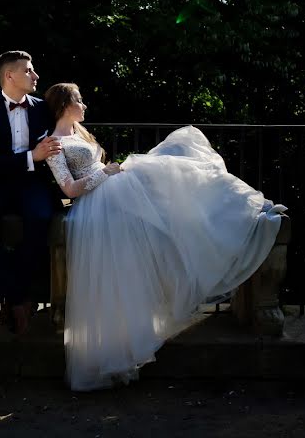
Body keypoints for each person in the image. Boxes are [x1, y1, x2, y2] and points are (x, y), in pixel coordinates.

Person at [43, 82, 287, 391]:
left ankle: (249, 208)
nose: (85, 105)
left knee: (173, 165)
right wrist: (106, 172)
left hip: (112, 191)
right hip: (98, 202)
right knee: (165, 171)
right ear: (65, 104)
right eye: (79, 100)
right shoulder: (54, 143)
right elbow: (69, 189)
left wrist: (110, 172)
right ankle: (246, 211)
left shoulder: (80, 133)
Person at [0, 51, 64, 335]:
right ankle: (19, 299)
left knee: (40, 217)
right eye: (29, 71)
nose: (36, 76)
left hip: (31, 184)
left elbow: (66, 137)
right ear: (10, 76)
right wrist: (32, 156)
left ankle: (15, 298)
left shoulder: (43, 108)